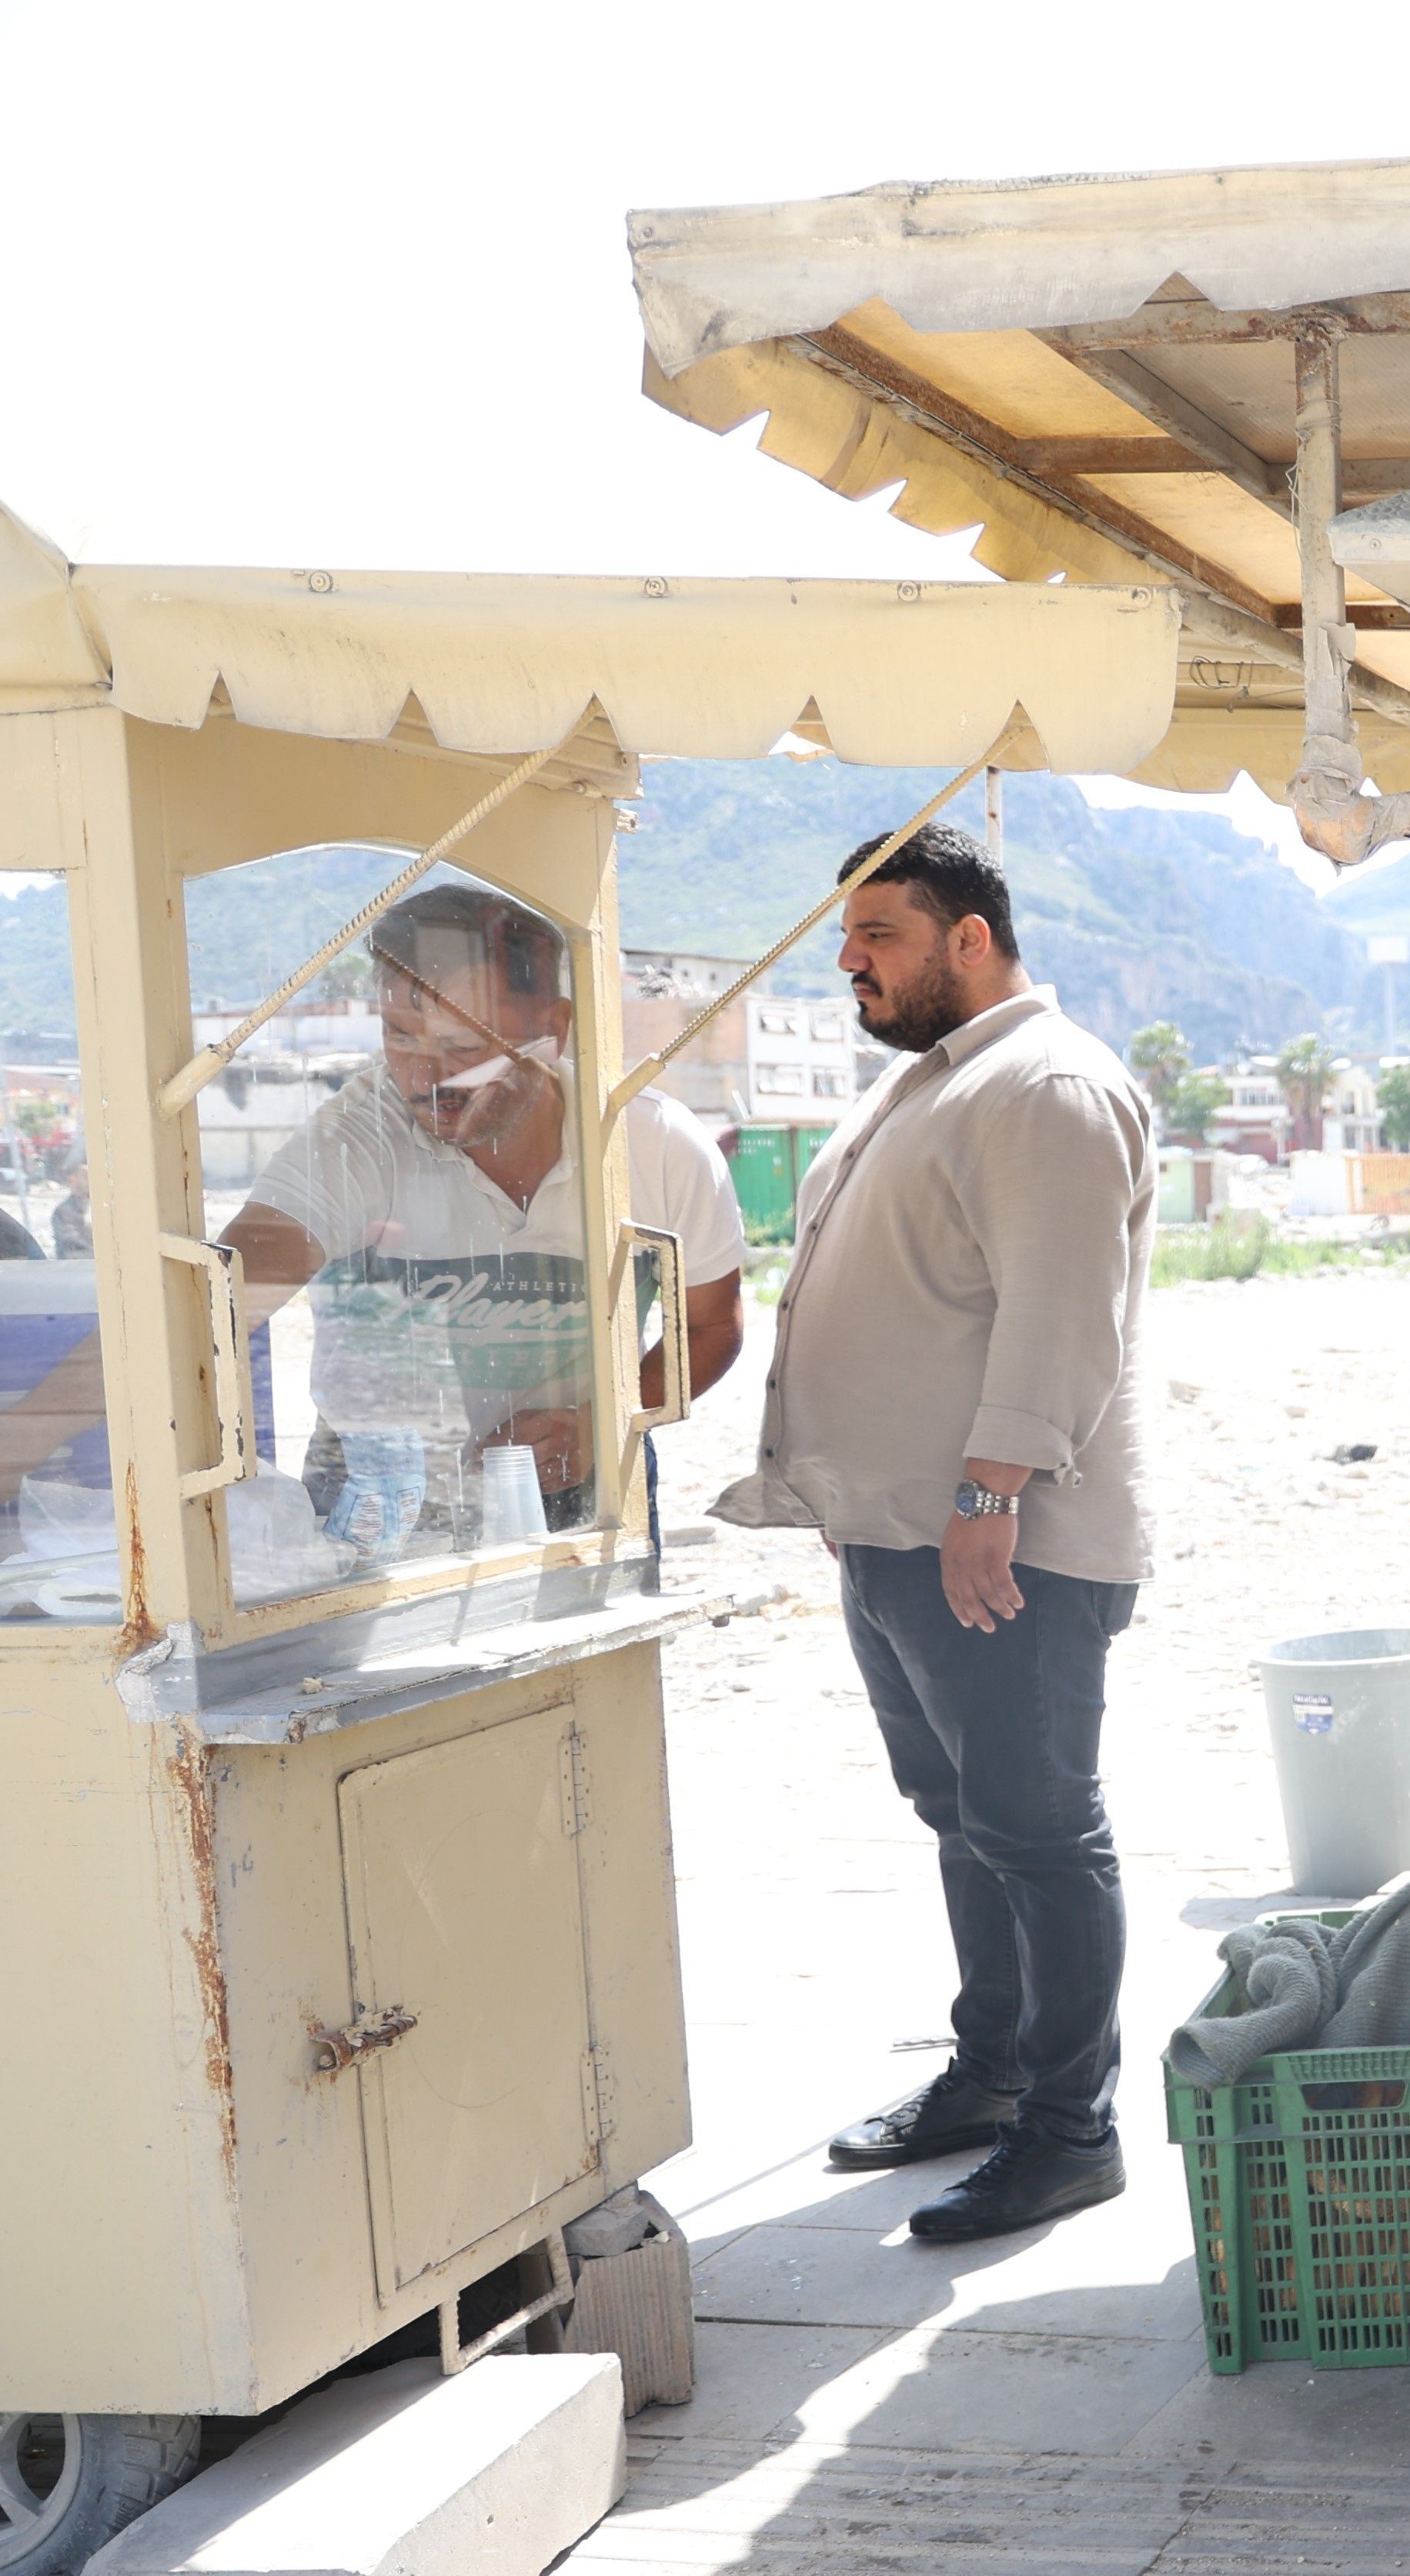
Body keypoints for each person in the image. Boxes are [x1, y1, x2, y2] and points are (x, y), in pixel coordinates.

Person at [717, 824, 1157, 2242]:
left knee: (1037, 1829)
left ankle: (1069, 2130)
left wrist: (987, 1496)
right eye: (850, 939)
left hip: (1001, 1544)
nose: (852, 961)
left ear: (972, 938)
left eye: (883, 936)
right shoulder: (938, 1083)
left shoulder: (1046, 1085)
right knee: (964, 1820)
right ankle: (990, 2076)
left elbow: (1056, 1313)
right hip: (906, 1535)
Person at [0, 886, 742, 1537]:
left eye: (462, 1045)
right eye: (399, 1037)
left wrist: (603, 1420)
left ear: (555, 1025)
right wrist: (18, 1446)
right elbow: (204, 1311)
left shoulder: (652, 1143)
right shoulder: (359, 1137)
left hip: (588, 1501)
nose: (427, 1078)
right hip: (378, 1515)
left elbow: (711, 1326)